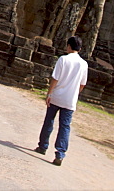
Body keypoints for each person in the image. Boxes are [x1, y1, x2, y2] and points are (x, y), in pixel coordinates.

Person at [35, 35, 88, 166]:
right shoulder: (84, 64)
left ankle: (43, 146)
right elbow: (82, 84)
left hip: (57, 96)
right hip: (70, 100)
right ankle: (60, 153)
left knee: (49, 121)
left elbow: (55, 78)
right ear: (80, 49)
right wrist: (74, 94)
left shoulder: (63, 59)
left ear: (68, 46)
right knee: (65, 127)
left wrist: (49, 93)